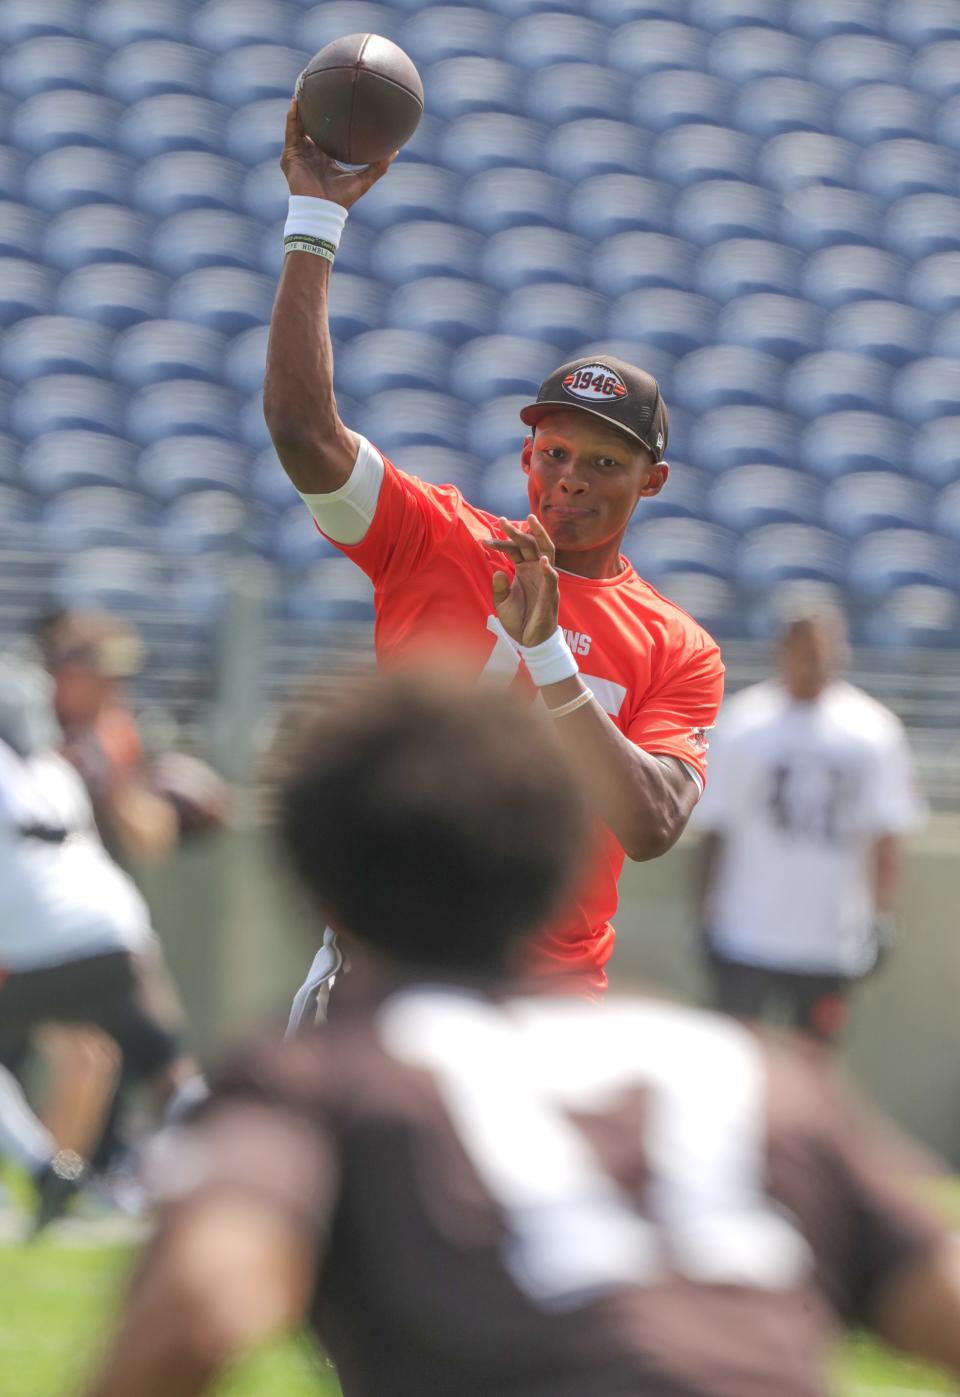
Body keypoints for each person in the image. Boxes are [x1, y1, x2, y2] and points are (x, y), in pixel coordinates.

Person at [83, 671, 960, 1397]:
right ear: (561, 871)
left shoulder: (326, 1077)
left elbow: (201, 1304)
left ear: (322, 892)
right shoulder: (756, 1072)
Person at [265, 101, 724, 1019]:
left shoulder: (680, 647)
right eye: (555, 452)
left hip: (547, 1004)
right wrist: (316, 220)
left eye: (605, 463)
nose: (573, 479)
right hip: (389, 973)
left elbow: (651, 824)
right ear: (526, 456)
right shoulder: (435, 536)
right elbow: (304, 431)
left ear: (654, 482)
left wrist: (549, 652)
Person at [0, 650, 200, 1226]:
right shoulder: (53, 770)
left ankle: (42, 1166)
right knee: (167, 1068)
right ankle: (246, 1164)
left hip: (31, 936)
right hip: (115, 926)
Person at [694, 610, 924, 1042]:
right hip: (747, 930)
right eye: (801, 648)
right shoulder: (742, 725)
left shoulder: (873, 732)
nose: (812, 659)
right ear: (780, 651)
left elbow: (888, 834)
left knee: (815, 1063)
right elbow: (714, 829)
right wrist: (705, 911)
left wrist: (882, 917)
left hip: (830, 937)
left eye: (822, 648)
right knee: (738, 1060)